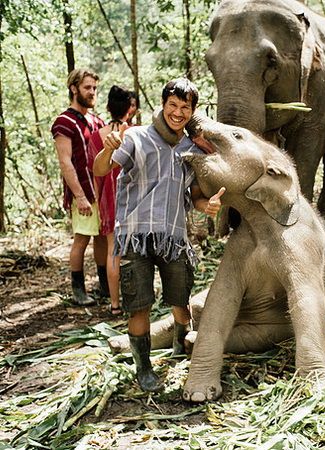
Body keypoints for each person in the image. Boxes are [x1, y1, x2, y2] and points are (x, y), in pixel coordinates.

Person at [94, 78, 224, 392]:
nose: (178, 112)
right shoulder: (136, 136)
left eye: (185, 107)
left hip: (174, 235)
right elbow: (100, 170)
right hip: (135, 235)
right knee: (140, 306)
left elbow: (193, 196)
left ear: (192, 110)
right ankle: (144, 368)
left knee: (180, 301)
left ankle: (180, 348)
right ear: (164, 104)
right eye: (173, 105)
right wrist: (106, 149)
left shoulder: (192, 148)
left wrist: (207, 205)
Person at [52, 68, 108, 306]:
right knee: (82, 239)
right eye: (87, 88)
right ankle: (78, 290)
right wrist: (80, 196)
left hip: (102, 192)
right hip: (83, 193)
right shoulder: (63, 122)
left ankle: (105, 286)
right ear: (74, 89)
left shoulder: (97, 121)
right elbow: (65, 162)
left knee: (103, 238)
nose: (92, 92)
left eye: (94, 88)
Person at [88, 86, 138, 315]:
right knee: (138, 249)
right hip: (134, 196)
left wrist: (98, 201)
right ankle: (137, 299)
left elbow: (95, 170)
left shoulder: (97, 135)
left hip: (108, 198)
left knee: (113, 251)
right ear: (130, 108)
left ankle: (115, 304)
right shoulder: (136, 132)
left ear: (108, 107)